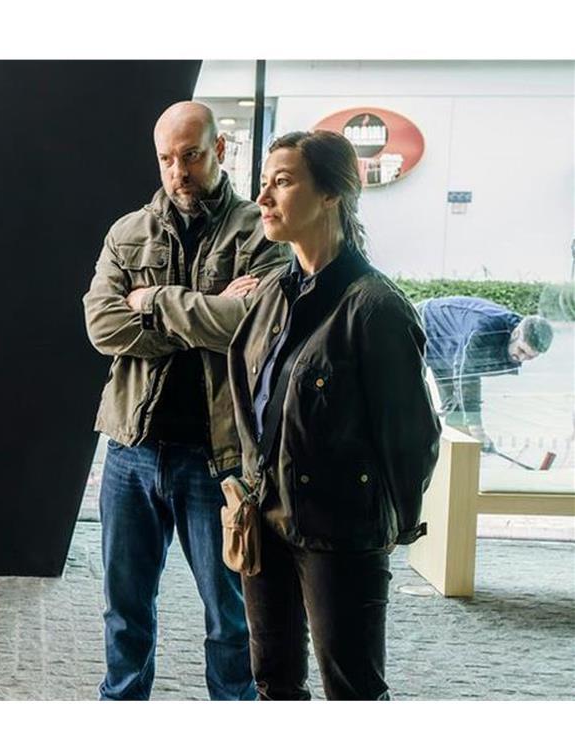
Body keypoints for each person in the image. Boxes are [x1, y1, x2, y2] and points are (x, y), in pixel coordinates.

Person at [82, 101, 288, 700]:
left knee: (229, 620)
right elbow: (102, 328)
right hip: (131, 451)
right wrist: (209, 308)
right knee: (124, 609)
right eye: (167, 159)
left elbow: (252, 326)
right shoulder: (128, 232)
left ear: (220, 151)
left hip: (217, 461)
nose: (179, 171)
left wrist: (152, 300)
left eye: (192, 155)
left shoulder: (259, 230)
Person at [224, 130, 440, 699]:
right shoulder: (272, 292)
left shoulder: (375, 307)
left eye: (284, 182)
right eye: (264, 183)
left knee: (352, 690)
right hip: (264, 520)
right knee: (272, 681)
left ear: (331, 196)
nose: (264, 198)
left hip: (341, 531)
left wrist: (392, 524)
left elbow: (412, 436)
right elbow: (250, 398)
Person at [415, 296, 553, 449]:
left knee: (456, 409)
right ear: (515, 334)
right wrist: (478, 430)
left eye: (530, 357)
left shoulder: (523, 329)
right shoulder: (485, 330)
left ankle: (461, 456)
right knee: (405, 390)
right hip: (423, 322)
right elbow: (468, 377)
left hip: (446, 346)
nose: (521, 358)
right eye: (521, 351)